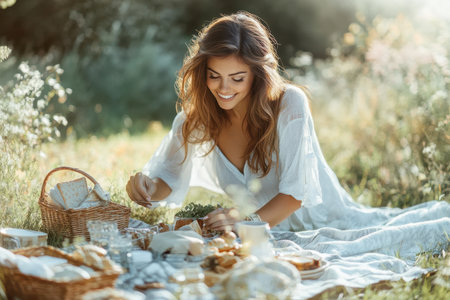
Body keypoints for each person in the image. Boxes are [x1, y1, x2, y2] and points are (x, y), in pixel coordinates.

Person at [126, 11, 449, 234]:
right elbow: (166, 177)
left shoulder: (289, 104)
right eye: (214, 76)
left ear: (258, 74)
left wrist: (243, 222)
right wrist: (145, 187)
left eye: (237, 78)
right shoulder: (194, 122)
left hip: (322, 222)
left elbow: (295, 196)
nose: (224, 89)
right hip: (259, 232)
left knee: (430, 226)